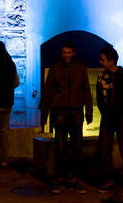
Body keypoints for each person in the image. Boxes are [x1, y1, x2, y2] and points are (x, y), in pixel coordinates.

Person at [39, 41, 93, 193]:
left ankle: (73, 179)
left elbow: (86, 90)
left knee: (76, 148)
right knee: (60, 148)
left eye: (68, 52)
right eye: (64, 52)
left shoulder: (80, 67)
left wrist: (89, 111)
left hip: (75, 112)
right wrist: (44, 115)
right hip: (60, 113)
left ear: (73, 52)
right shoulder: (56, 67)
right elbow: (48, 90)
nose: (66, 55)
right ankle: (61, 179)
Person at [96, 45, 123, 192]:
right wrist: (105, 112)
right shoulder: (101, 77)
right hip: (107, 117)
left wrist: (118, 113)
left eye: (103, 60)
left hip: (121, 117)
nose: (101, 62)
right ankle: (107, 179)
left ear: (111, 61)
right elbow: (100, 98)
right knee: (104, 149)